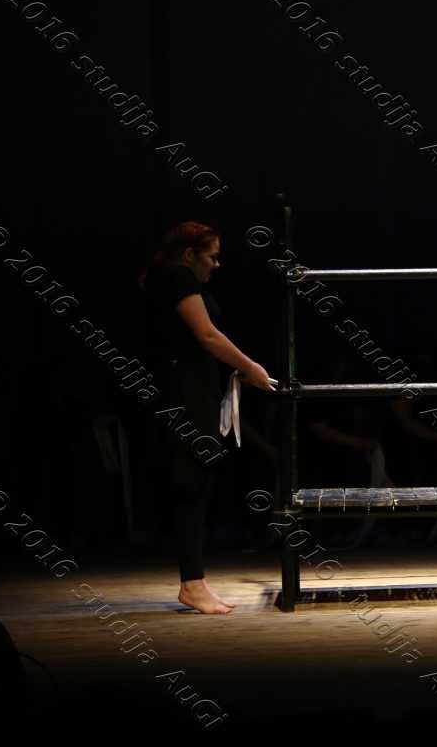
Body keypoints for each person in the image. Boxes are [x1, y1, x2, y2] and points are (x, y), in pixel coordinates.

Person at [140, 222, 275, 614]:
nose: (217, 264)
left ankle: (195, 581)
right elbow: (207, 335)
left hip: (189, 387)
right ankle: (192, 583)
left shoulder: (165, 277)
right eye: (212, 256)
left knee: (196, 481)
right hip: (184, 392)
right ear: (189, 255)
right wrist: (250, 367)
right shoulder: (177, 278)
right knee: (191, 481)